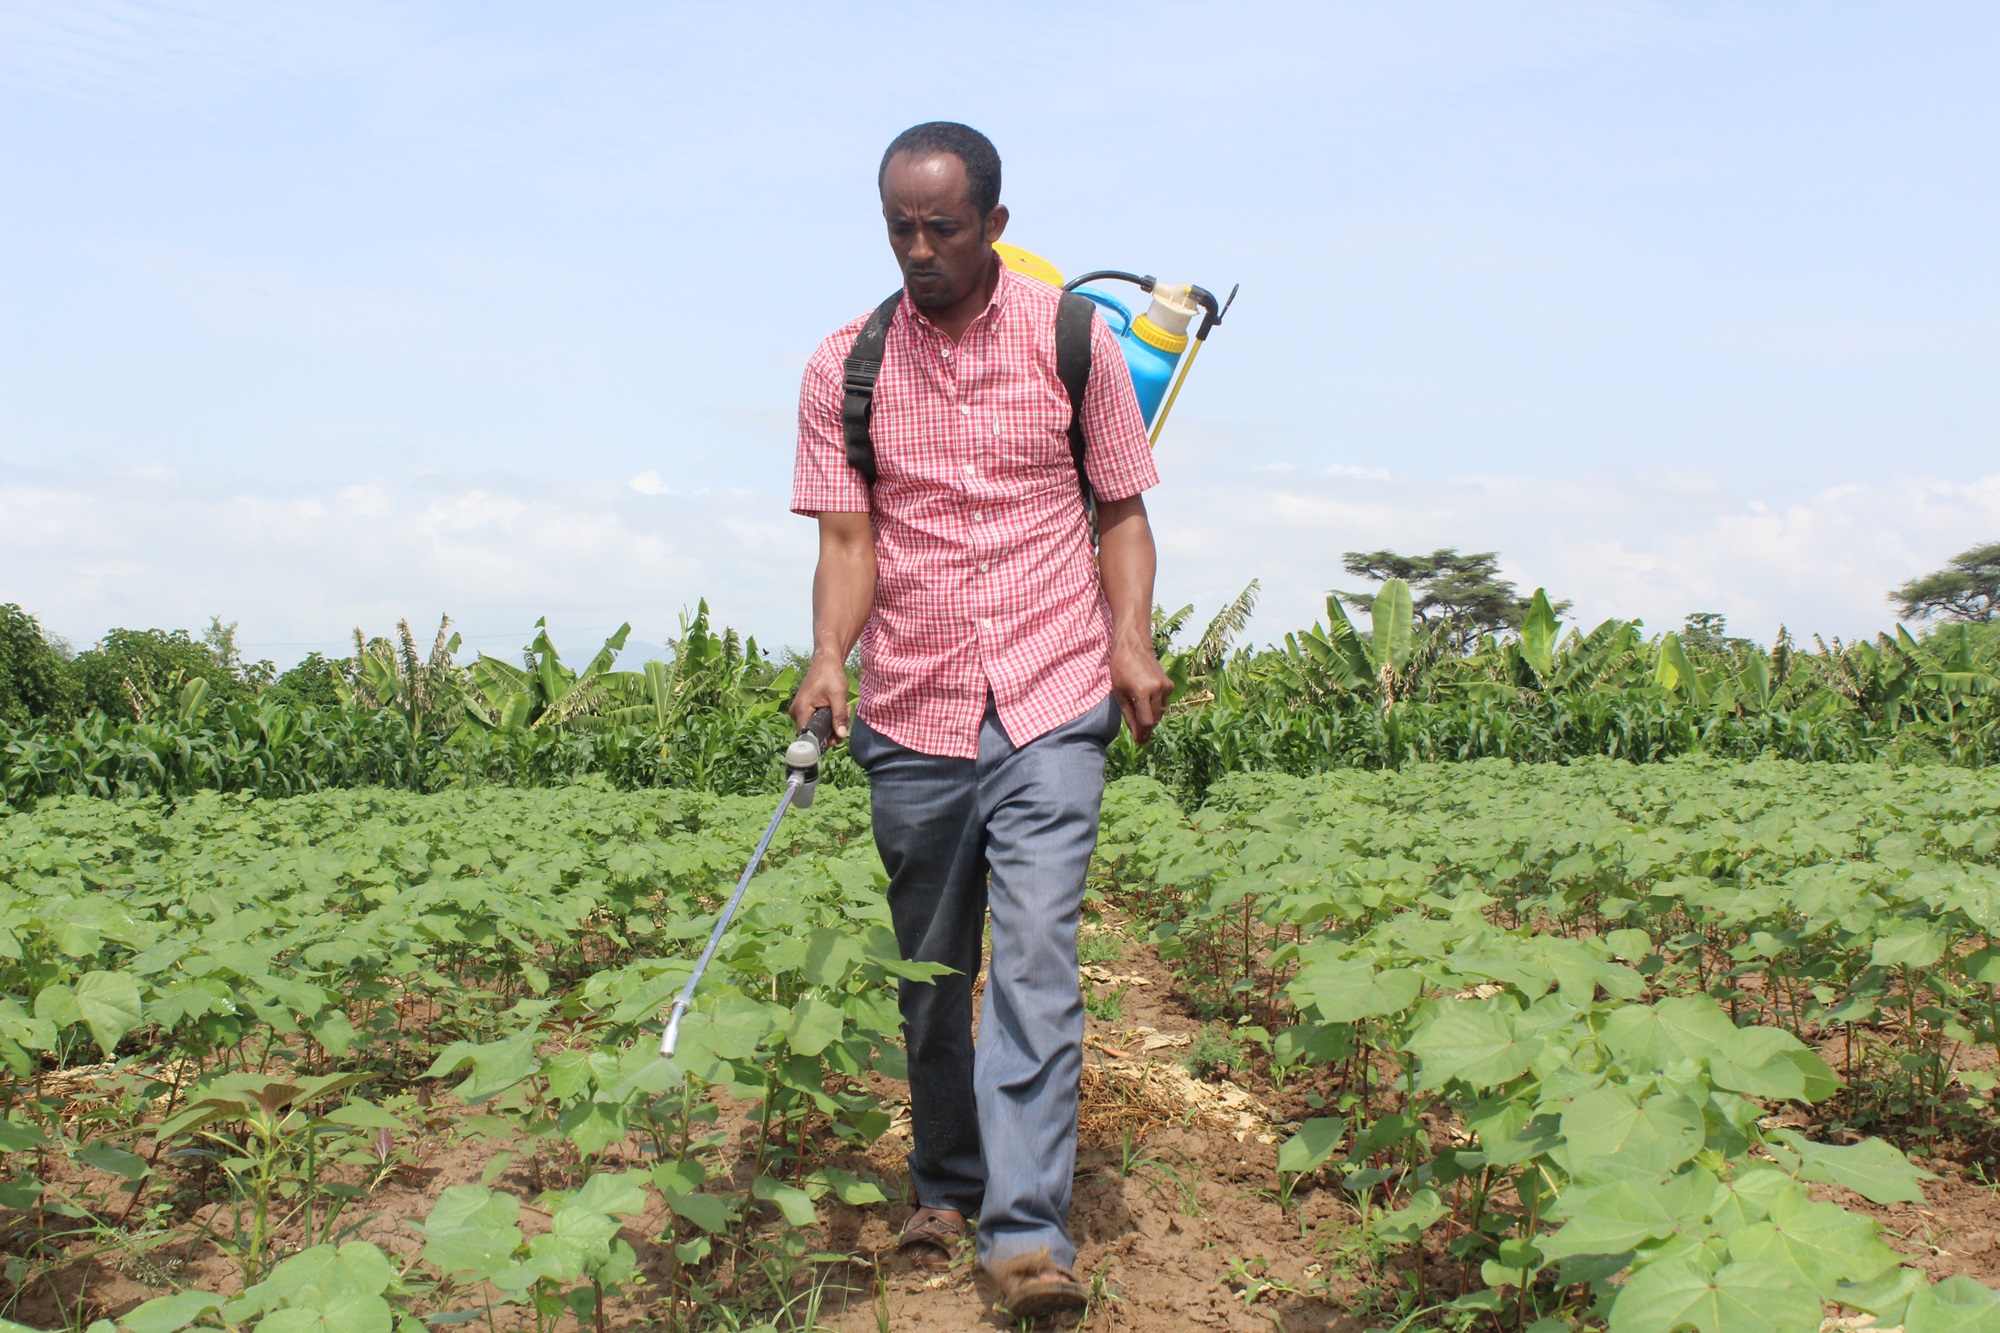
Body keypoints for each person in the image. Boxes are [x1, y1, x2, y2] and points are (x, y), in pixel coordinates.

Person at [788, 121, 1173, 1316]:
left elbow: (1119, 510)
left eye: (939, 229)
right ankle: (945, 1182)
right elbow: (848, 539)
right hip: (912, 707)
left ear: (993, 226)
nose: (917, 250)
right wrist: (825, 656)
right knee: (931, 971)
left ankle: (1024, 1237)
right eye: (897, 228)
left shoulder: (1072, 344)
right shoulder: (843, 365)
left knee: (1038, 965)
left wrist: (1129, 638)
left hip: (1054, 695)